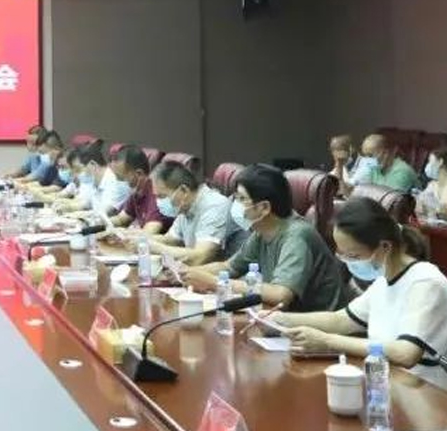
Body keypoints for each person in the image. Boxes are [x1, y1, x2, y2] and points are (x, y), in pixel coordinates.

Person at [274, 197, 447, 389]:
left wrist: (327, 341)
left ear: (385, 247)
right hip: (384, 385)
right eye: (342, 254)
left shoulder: (425, 282)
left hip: (424, 395)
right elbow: (341, 320)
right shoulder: (383, 280)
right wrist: (279, 319)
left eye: (353, 255)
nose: (348, 262)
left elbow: (405, 353)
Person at [183, 164, 347, 311]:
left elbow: (281, 294)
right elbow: (229, 267)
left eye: (241, 198)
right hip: (283, 319)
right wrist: (186, 273)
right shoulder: (262, 231)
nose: (235, 204)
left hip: (317, 326)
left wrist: (214, 282)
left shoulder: (297, 235)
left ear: (264, 207)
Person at [144, 160, 246, 265]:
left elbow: (200, 257)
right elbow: (172, 239)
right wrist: (141, 241)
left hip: (229, 273)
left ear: (184, 190)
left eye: (162, 196)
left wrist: (155, 248)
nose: (159, 202)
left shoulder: (214, 205)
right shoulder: (185, 205)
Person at [107, 145, 171, 235]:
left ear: (139, 174)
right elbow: (122, 219)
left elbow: (149, 232)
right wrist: (102, 223)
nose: (119, 183)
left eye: (122, 178)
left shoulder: (156, 192)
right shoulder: (136, 191)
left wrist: (126, 233)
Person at [417, 147, 447, 220]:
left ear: (440, 162)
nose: (428, 165)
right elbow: (420, 205)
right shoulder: (432, 185)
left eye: (430, 161)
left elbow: (443, 210)